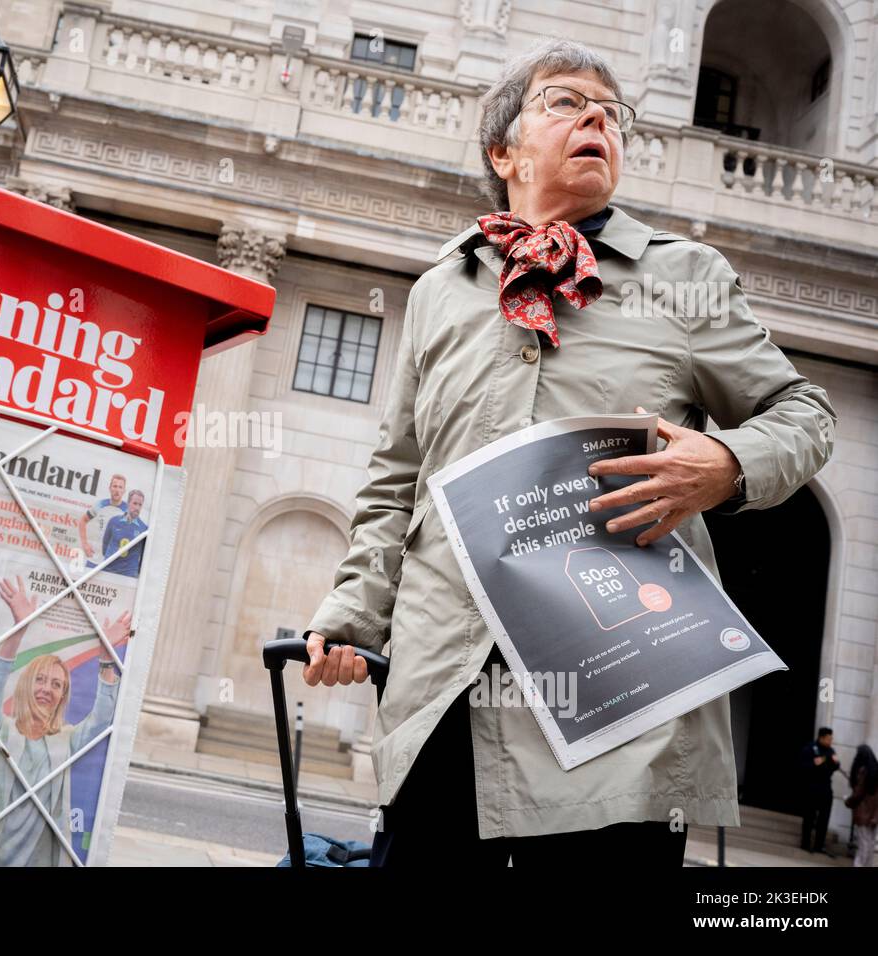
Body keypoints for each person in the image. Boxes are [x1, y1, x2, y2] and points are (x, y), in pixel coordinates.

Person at [301, 38, 837, 868]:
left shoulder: (684, 276)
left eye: (611, 113)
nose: (597, 117)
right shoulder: (440, 290)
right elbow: (397, 478)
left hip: (621, 699)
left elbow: (804, 412)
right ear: (502, 151)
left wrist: (726, 465)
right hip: (445, 682)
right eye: (563, 101)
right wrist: (351, 611)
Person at [0, 574, 130, 866]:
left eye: (56, 684)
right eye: (40, 680)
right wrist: (19, 629)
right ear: (27, 685)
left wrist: (106, 659)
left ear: (63, 695)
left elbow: (102, 718)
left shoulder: (66, 740)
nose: (47, 689)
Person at [799, 725, 843, 854]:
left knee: (824, 819)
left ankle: (819, 845)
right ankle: (805, 843)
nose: (830, 741)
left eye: (831, 739)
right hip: (812, 788)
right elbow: (802, 767)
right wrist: (813, 763)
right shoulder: (810, 748)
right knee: (809, 817)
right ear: (821, 738)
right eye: (829, 739)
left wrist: (836, 763)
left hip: (825, 789)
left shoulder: (830, 751)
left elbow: (836, 766)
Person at [79, 474, 126, 568]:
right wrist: (85, 544)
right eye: (115, 486)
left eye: (120, 487)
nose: (117, 490)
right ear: (110, 488)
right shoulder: (100, 504)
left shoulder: (127, 510)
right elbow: (83, 521)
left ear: (124, 491)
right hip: (94, 560)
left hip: (113, 564)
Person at [100, 490, 147, 578]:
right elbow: (104, 546)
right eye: (135, 503)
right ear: (128, 503)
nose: (137, 508)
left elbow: (144, 558)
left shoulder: (144, 529)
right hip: (108, 570)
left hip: (128, 575)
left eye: (140, 505)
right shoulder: (114, 521)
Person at [845, 744, 878, 866]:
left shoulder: (864, 771)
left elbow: (858, 794)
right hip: (874, 815)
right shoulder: (876, 770)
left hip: (863, 814)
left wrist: (847, 801)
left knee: (863, 846)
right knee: (870, 845)